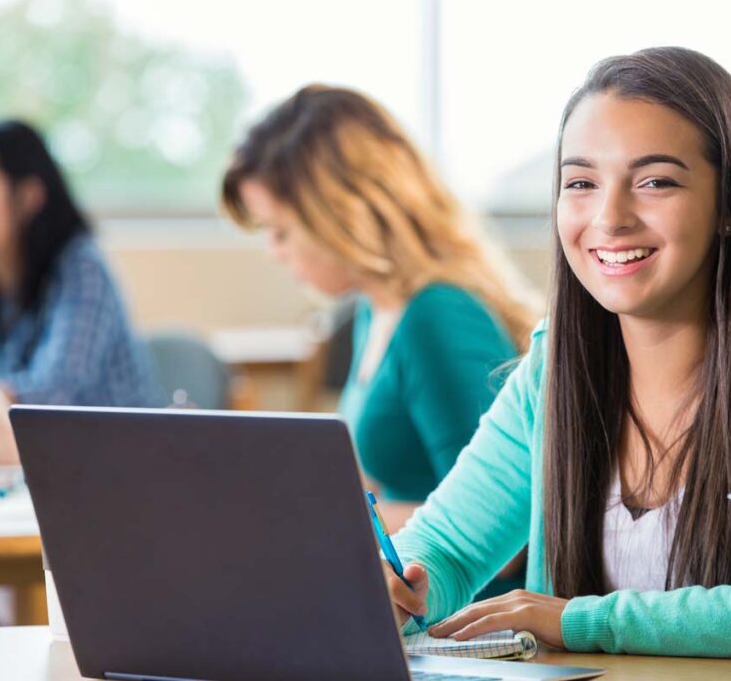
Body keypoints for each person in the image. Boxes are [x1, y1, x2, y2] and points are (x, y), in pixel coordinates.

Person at [381, 47, 731, 674]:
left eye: (655, 181)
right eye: (581, 183)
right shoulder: (554, 371)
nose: (609, 217)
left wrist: (576, 620)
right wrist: (397, 581)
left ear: (729, 208)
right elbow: (445, 545)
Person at [221, 86, 539, 588]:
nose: (272, 251)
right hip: (403, 596)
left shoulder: (438, 317)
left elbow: (504, 545)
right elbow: (375, 484)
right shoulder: (375, 311)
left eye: (280, 230)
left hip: (462, 621)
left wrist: (319, 518)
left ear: (341, 216)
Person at [0, 120, 158, 407]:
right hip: (9, 450)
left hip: (102, 450)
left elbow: (52, 394)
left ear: (28, 197)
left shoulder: (82, 272)